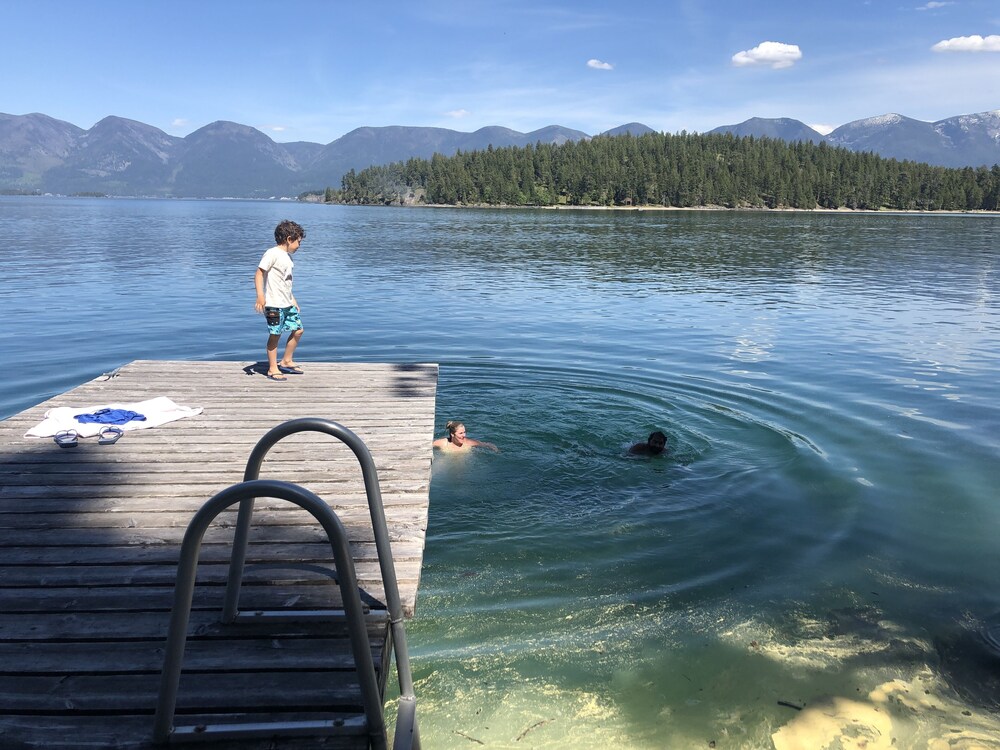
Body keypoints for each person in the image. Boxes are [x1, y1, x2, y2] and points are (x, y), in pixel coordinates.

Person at [254, 220, 306, 381]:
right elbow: (259, 274)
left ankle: (286, 360)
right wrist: (261, 296)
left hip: (287, 303)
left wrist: (293, 299)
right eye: (298, 242)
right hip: (274, 305)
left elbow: (286, 283)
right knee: (275, 335)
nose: (299, 245)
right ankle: (272, 368)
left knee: (298, 330)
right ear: (289, 239)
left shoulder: (287, 257)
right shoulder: (272, 253)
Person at [433, 420, 499, 453]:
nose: (464, 435)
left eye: (464, 432)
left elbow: (487, 444)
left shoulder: (468, 442)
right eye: (460, 433)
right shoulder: (444, 443)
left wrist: (496, 450)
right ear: (452, 434)